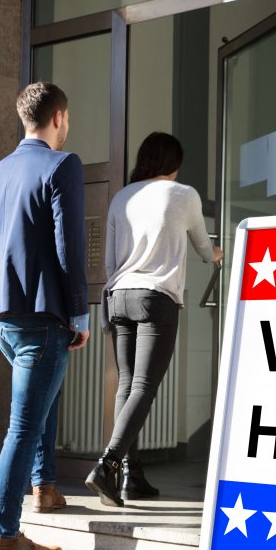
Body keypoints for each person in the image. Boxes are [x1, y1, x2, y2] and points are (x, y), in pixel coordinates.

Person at [0, 82, 88, 550]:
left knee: (45, 393)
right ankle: (4, 534)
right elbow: (69, 247)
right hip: (42, 314)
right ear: (58, 118)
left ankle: (44, 486)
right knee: (23, 423)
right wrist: (79, 312)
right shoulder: (63, 165)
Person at [85, 132, 222, 507]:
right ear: (173, 164)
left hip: (118, 296)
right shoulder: (183, 195)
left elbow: (111, 262)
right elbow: (202, 249)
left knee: (127, 385)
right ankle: (108, 465)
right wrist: (217, 254)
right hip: (155, 296)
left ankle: (133, 476)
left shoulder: (121, 197)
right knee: (144, 386)